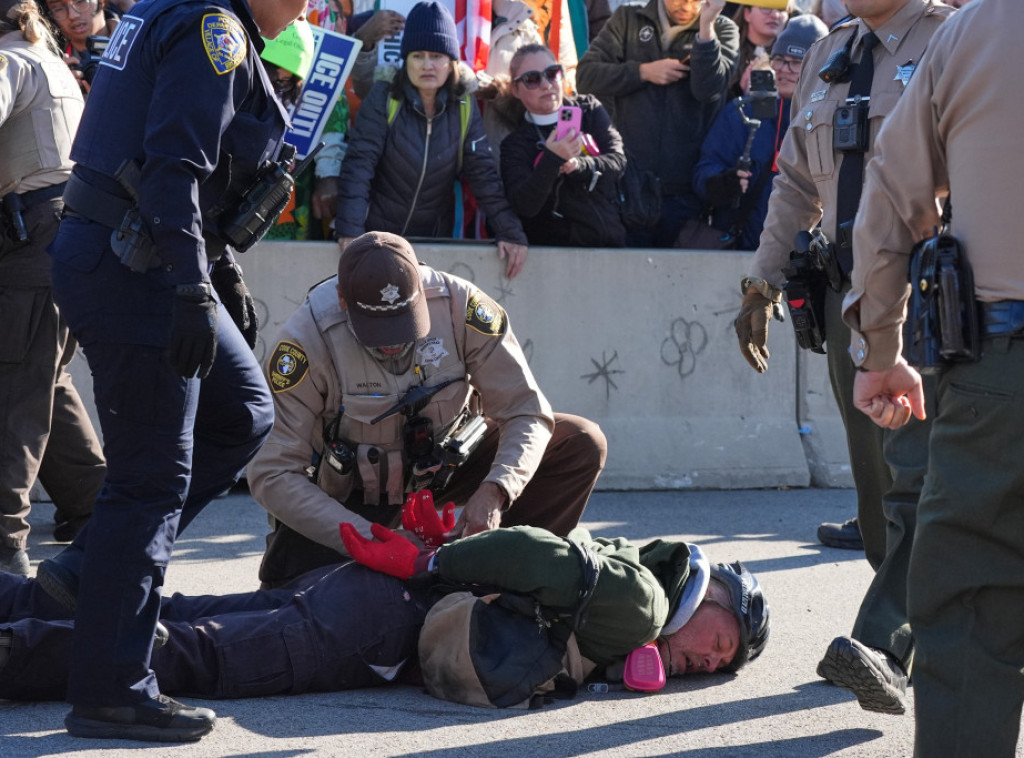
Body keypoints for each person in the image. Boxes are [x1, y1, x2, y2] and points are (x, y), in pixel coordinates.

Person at [31, 0, 308, 741]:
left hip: (138, 249)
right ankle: (113, 688)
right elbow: (172, 165)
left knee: (242, 411)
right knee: (149, 479)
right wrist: (192, 285)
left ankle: (91, 570)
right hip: (137, 263)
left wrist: (215, 274)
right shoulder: (209, 28)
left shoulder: (190, 14)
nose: (312, 4)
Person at [732, 0, 953, 716]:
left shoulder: (950, 36)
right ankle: (907, 638)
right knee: (875, 482)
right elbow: (795, 180)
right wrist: (761, 279)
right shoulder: (832, 52)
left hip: (928, 292)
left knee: (918, 475)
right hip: (846, 294)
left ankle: (884, 642)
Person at [0, 519, 770, 704]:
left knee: (192, 609)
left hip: (364, 599)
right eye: (719, 639)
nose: (706, 658)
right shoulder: (642, 603)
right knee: (191, 656)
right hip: (380, 625)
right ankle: (16, 653)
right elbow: (542, 554)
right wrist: (438, 564)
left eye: (717, 665)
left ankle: (15, 600)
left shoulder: (637, 587)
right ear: (710, 599)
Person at [843, 3, 1021, 754]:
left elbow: (891, 191)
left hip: (998, 378)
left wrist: (880, 347)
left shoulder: (975, 28)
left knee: (973, 602)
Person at [249, 231, 607, 588]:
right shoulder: (304, 341)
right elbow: (273, 474)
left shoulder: (460, 306)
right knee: (287, 594)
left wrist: (496, 488)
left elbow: (526, 411)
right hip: (355, 493)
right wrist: (368, 538)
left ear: (420, 288)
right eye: (378, 331)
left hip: (449, 465)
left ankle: (506, 580)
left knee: (581, 442)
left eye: (404, 325)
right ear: (343, 300)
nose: (393, 345)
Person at [0, 0, 105, 575]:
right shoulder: (45, 55)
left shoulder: (10, 60)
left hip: (33, 236)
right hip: (64, 231)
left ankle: (4, 543)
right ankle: (91, 503)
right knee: (45, 377)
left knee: (16, 387)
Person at [335, 1, 529, 279]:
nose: (427, 65)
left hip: (431, 245)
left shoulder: (463, 106)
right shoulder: (384, 97)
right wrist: (351, 232)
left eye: (437, 56)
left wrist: (511, 232)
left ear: (451, 63)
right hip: (374, 240)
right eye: (418, 56)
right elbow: (359, 166)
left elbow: (482, 174)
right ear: (406, 59)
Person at [576, 0, 739, 248]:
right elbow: (586, 77)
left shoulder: (724, 29)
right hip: (629, 184)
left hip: (686, 187)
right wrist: (642, 72)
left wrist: (706, 30)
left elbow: (709, 90)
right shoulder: (628, 19)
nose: (686, 4)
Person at [693, 14, 828, 250]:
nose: (784, 69)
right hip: (742, 253)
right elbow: (704, 170)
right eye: (778, 59)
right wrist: (720, 183)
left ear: (819, 67)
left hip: (811, 259)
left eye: (796, 62)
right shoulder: (742, 112)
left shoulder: (834, 119)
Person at [498, 43, 627, 247]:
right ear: (515, 89)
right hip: (553, 252)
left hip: (607, 242)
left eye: (552, 73)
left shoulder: (589, 110)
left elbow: (618, 161)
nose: (546, 84)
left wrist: (581, 166)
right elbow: (524, 206)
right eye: (532, 79)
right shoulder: (515, 144)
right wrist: (551, 158)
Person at [42, 0, 118, 93]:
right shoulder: (51, 62)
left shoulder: (137, 42)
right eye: (58, 8)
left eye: (80, 1)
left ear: (101, 2)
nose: (72, 15)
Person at [727, 0, 789, 99]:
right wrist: (739, 90)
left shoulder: (791, 58)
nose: (775, 15)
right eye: (766, 7)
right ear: (747, 13)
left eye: (781, 9)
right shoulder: (726, 52)